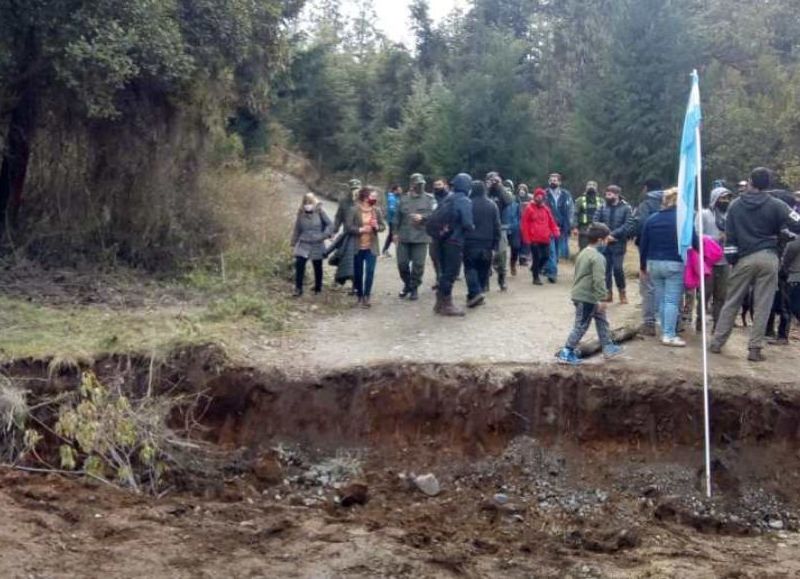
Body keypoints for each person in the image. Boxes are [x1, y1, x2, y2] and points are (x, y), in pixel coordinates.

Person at [710, 168, 800, 361]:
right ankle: (754, 349)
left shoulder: (735, 206)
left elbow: (730, 237)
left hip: (743, 259)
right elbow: (797, 223)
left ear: (750, 182)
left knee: (732, 301)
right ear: (768, 184)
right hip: (769, 257)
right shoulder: (778, 205)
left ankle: (717, 343)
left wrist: (733, 261)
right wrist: (781, 232)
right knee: (763, 304)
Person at [555, 223, 623, 365]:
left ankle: (608, 347)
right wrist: (603, 298)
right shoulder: (598, 258)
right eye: (606, 239)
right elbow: (599, 280)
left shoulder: (583, 253)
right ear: (600, 241)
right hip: (587, 298)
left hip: (583, 295)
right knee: (581, 325)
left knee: (602, 320)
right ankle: (567, 351)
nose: (607, 242)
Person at [639, 187, 695, 347]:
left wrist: (643, 265)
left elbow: (644, 244)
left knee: (662, 299)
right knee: (671, 300)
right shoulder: (683, 220)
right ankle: (669, 334)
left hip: (653, 263)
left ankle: (664, 329)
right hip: (674, 264)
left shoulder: (652, 219)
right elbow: (695, 241)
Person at [434, 173, 475, 316]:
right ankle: (446, 304)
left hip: (441, 239)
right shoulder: (465, 201)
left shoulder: (448, 198)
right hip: (455, 240)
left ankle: (439, 303)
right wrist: (473, 229)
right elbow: (467, 223)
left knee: (444, 271)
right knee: (451, 273)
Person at [629, 178, 664, 336]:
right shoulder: (670, 202)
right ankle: (670, 322)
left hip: (649, 249)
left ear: (646, 188)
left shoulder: (646, 205)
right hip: (670, 250)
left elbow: (641, 226)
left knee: (648, 286)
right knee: (667, 287)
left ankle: (649, 323)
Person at [394, 173, 434, 301]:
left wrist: (423, 218)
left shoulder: (429, 199)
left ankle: (414, 288)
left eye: (422, 184)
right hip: (404, 236)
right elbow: (396, 217)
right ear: (412, 185)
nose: (420, 186)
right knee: (402, 264)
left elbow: (435, 216)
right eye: (417, 184)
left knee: (418, 265)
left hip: (421, 237)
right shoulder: (403, 199)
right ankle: (408, 284)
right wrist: (394, 233)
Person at [699, 186, 734, 331]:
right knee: (705, 293)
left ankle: (717, 325)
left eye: (727, 198)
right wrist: (714, 238)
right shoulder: (705, 214)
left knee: (722, 295)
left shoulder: (731, 216)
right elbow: (697, 234)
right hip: (708, 260)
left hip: (725, 261)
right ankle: (700, 322)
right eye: (722, 198)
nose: (725, 201)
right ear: (714, 199)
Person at [347, 188, 386, 307]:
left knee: (370, 271)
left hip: (371, 246)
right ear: (365, 197)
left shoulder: (376, 210)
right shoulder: (354, 210)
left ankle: (367, 296)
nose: (375, 199)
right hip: (357, 246)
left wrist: (376, 227)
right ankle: (359, 295)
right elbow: (348, 227)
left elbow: (383, 226)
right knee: (358, 273)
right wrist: (360, 229)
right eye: (373, 196)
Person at [464, 180, 501, 308]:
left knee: (470, 269)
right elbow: (497, 226)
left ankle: (475, 293)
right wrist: (496, 244)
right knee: (483, 270)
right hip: (487, 244)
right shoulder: (492, 205)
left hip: (470, 243)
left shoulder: (468, 204)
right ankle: (476, 294)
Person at [593, 185, 632, 304]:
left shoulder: (626, 208)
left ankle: (622, 291)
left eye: (610, 194)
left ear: (616, 194)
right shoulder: (602, 207)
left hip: (619, 243)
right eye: (606, 194)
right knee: (605, 270)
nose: (607, 196)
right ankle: (608, 293)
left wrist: (613, 235)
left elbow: (628, 225)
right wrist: (604, 235)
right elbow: (595, 221)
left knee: (617, 269)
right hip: (604, 243)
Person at [291, 193, 333, 297]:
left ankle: (318, 287)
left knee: (317, 265)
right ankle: (298, 288)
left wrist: (324, 235)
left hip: (317, 242)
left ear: (313, 203)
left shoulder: (320, 212)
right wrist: (293, 242)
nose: (307, 205)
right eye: (306, 202)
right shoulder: (301, 213)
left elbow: (330, 224)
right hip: (304, 242)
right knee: (299, 264)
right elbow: (297, 228)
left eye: (310, 202)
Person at [521, 188, 560, 285]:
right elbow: (524, 224)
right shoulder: (529, 208)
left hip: (545, 237)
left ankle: (536, 269)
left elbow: (551, 222)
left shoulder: (546, 209)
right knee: (537, 257)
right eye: (538, 196)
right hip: (534, 238)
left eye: (541, 196)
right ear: (534, 197)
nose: (539, 198)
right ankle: (536, 278)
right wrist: (526, 237)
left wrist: (555, 231)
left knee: (546, 257)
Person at [329, 178, 363, 289]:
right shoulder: (344, 202)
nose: (355, 191)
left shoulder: (364, 201)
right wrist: (334, 231)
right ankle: (338, 280)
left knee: (356, 260)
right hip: (346, 235)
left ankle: (355, 284)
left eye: (357, 188)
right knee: (342, 257)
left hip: (360, 235)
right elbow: (338, 217)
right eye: (353, 188)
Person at [543, 173, 575, 283]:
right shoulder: (544, 194)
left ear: (559, 182)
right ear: (548, 181)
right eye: (551, 180)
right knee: (551, 250)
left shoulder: (566, 194)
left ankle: (550, 266)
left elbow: (571, 210)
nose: (553, 181)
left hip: (562, 227)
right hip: (548, 227)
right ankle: (552, 273)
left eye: (555, 180)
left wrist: (570, 224)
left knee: (557, 251)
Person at [486, 172, 514, 291]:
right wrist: (487, 187)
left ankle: (502, 280)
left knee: (501, 254)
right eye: (491, 180)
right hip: (486, 227)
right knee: (485, 255)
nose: (493, 182)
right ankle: (485, 282)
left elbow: (509, 201)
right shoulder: (484, 191)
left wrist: (500, 186)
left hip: (501, 226)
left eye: (495, 180)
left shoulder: (502, 192)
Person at [429, 178, 450, 288]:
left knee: (446, 257)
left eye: (440, 184)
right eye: (435, 185)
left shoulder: (450, 198)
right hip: (434, 232)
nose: (437, 187)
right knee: (434, 256)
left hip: (447, 233)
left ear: (445, 185)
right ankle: (439, 277)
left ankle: (445, 278)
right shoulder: (431, 199)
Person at [575, 181, 602, 250]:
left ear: (596, 188)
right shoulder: (579, 200)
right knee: (583, 249)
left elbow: (604, 215)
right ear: (586, 187)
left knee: (597, 250)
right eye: (589, 185)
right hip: (584, 228)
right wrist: (575, 227)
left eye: (593, 185)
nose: (591, 186)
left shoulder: (601, 201)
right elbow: (575, 214)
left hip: (597, 229)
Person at [515, 184, 533, 266]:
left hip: (527, 223)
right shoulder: (515, 199)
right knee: (518, 242)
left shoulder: (530, 199)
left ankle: (523, 258)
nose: (521, 191)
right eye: (520, 189)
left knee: (526, 242)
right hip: (517, 222)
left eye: (523, 189)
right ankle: (517, 257)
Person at [382, 184, 402, 257]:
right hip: (393, 220)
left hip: (394, 220)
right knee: (392, 235)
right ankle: (385, 250)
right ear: (395, 190)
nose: (401, 191)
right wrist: (399, 213)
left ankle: (386, 250)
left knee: (392, 235)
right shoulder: (392, 198)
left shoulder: (396, 197)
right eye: (399, 190)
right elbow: (392, 209)